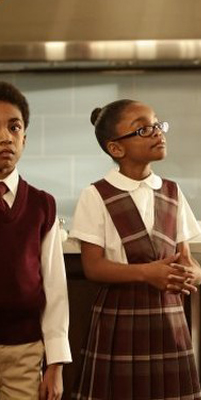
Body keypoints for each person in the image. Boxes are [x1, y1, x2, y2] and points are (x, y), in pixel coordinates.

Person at [69, 99, 201, 399]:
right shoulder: (95, 194)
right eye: (143, 129)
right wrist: (147, 273)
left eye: (157, 124)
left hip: (169, 319)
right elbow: (93, 267)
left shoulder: (172, 191)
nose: (157, 132)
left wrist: (196, 275)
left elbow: (187, 259)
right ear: (116, 148)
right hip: (120, 319)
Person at [0, 81, 71, 399]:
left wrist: (55, 363)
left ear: (24, 139)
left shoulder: (43, 205)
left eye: (13, 127)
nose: (5, 137)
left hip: (25, 349)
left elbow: (55, 289)